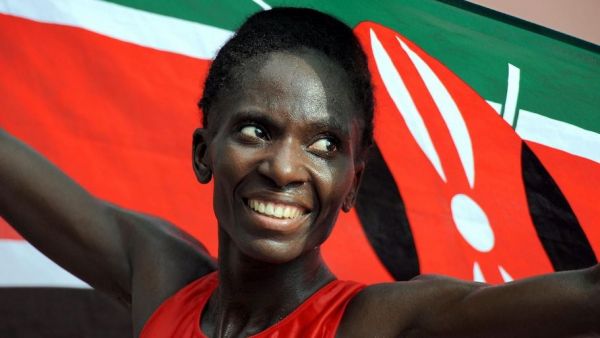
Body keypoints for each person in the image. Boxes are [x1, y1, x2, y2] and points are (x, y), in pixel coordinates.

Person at [0, 7, 598, 338]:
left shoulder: (379, 324)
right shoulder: (162, 278)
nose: (285, 168)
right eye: (256, 130)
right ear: (204, 152)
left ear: (352, 185)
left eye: (324, 143)